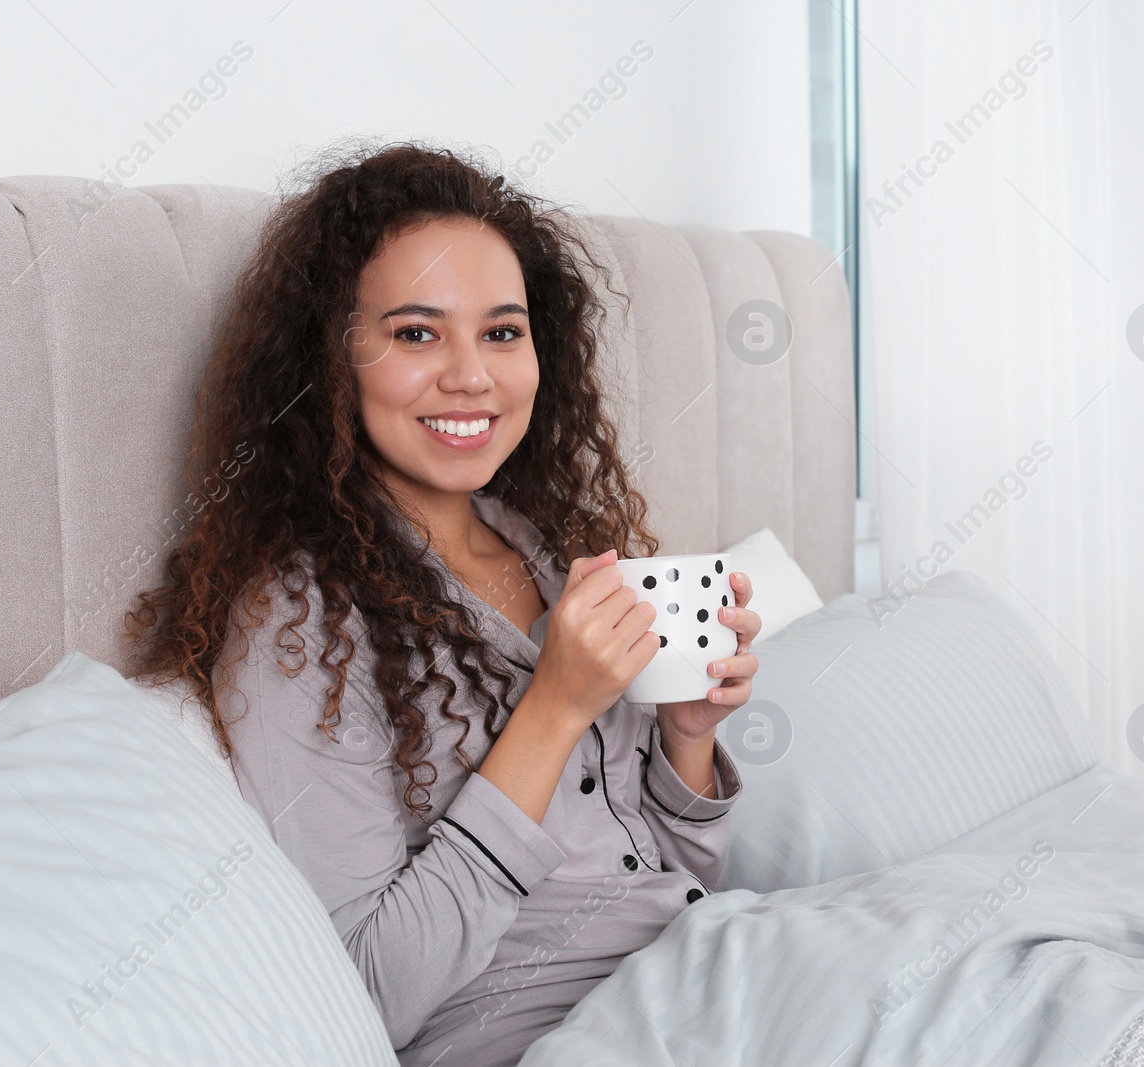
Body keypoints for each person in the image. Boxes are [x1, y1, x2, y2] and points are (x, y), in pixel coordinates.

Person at [126, 141, 762, 1066]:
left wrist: (687, 738)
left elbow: (674, 882)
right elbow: (369, 996)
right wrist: (553, 707)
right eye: (416, 332)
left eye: (502, 332)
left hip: (707, 974)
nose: (472, 376)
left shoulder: (546, 547)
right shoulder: (300, 628)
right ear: (333, 357)